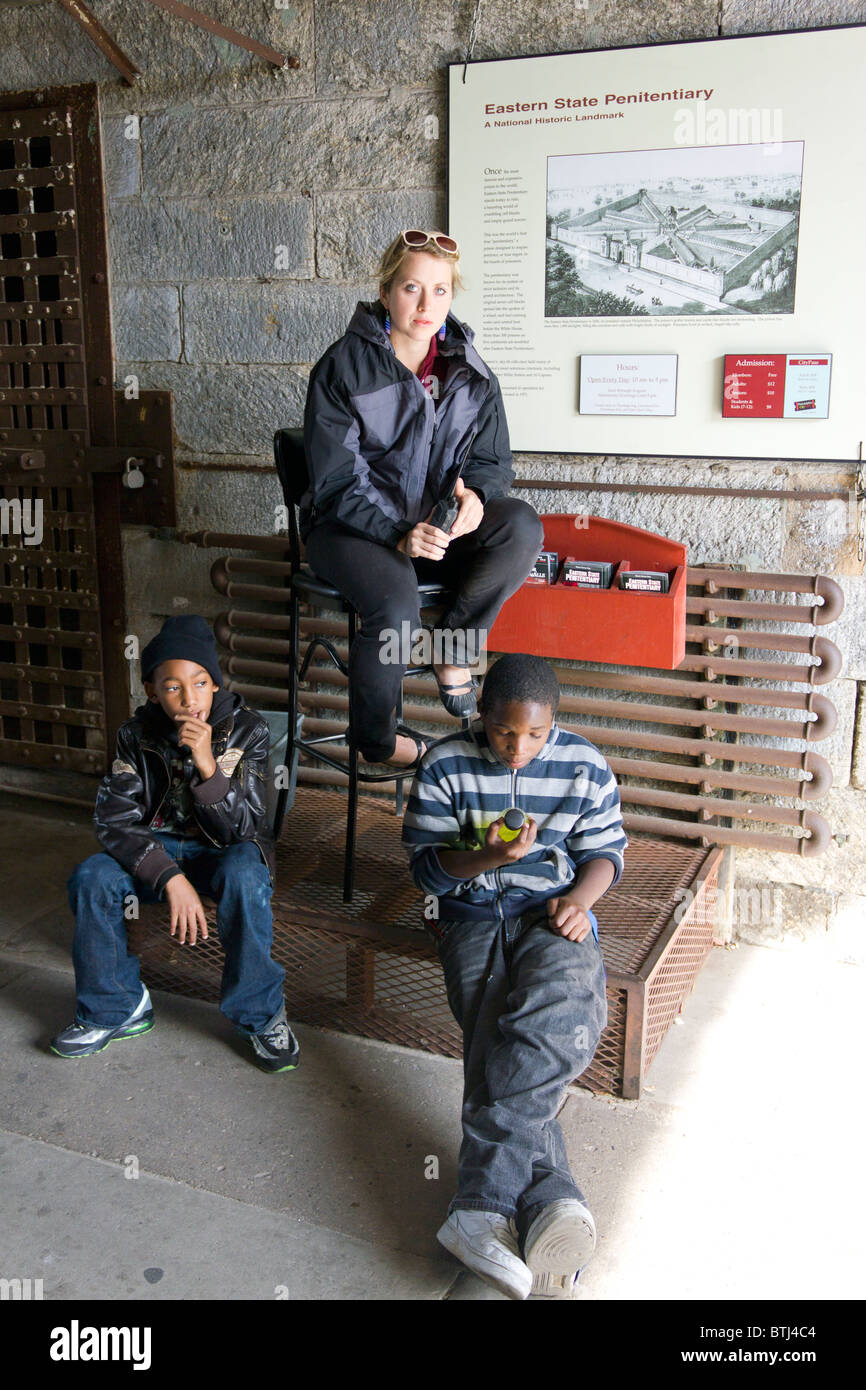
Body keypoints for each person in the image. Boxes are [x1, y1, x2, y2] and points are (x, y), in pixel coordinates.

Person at [402, 653, 627, 1299]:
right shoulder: (446, 764)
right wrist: (489, 855)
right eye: (504, 732)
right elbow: (426, 872)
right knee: (496, 1030)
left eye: (535, 733)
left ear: (555, 722)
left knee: (560, 1016)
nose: (519, 747)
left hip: (555, 911)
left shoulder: (583, 765)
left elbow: (605, 851)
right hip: (467, 917)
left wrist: (581, 900)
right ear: (481, 715)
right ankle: (551, 1198)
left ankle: (483, 1204)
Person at [300, 229, 544, 768]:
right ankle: (377, 741)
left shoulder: (471, 372)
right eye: (412, 287)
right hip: (350, 529)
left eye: (440, 290)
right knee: (396, 602)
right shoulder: (344, 367)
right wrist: (395, 534)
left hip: (430, 525)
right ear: (387, 291)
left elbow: (490, 460)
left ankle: (453, 651)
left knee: (520, 526)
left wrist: (477, 496)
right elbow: (336, 482)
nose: (426, 304)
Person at [51, 615, 299, 1074]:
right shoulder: (135, 735)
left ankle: (261, 1015)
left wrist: (208, 766)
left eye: (201, 683)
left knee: (246, 874)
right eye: (172, 687)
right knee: (92, 876)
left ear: (215, 683)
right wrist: (170, 877)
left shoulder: (249, 730)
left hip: (223, 853)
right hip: (156, 854)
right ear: (151, 691)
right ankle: (115, 1006)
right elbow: (113, 821)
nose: (190, 699)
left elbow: (245, 829)